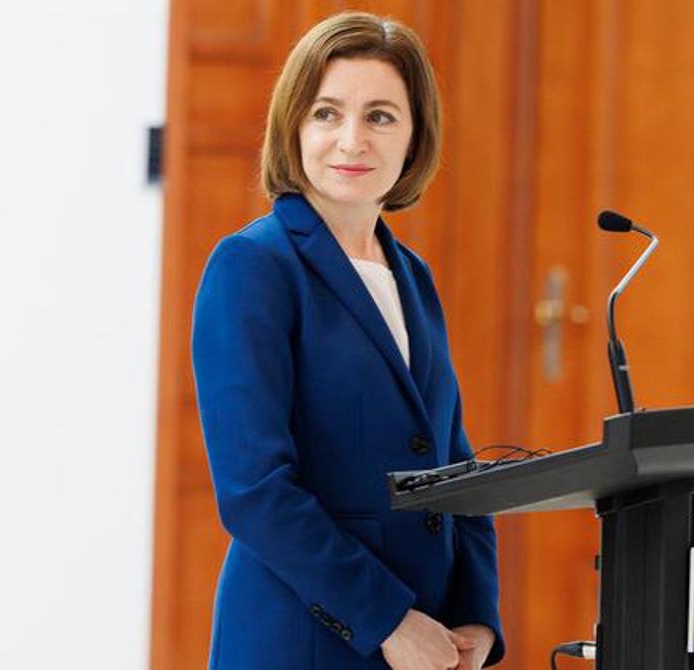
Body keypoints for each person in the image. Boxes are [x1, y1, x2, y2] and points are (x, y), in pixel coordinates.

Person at [191, 11, 505, 670]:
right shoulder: (253, 266)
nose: (351, 139)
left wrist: (476, 613)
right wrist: (387, 619)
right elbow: (255, 492)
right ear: (295, 126)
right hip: (304, 639)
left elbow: (456, 463)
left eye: (380, 116)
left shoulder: (411, 275)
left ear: (415, 137)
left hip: (426, 638)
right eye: (327, 113)